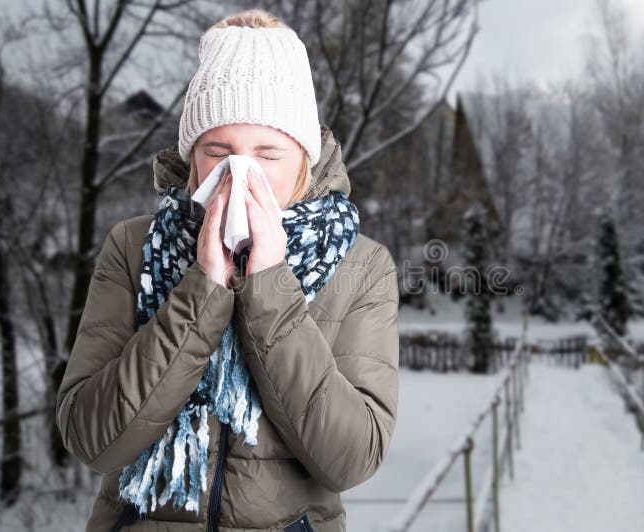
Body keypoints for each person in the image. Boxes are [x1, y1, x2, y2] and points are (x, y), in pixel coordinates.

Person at [55, 8, 399, 531]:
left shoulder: (362, 264)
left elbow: (351, 458)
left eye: (268, 155)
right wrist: (204, 288)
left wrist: (269, 285)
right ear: (192, 157)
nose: (242, 176)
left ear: (304, 160)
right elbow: (90, 439)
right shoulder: (133, 246)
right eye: (219, 152)